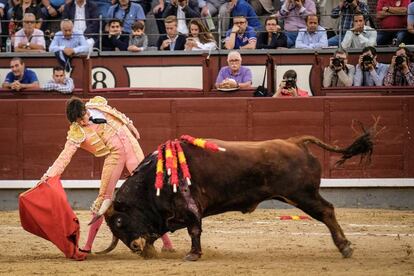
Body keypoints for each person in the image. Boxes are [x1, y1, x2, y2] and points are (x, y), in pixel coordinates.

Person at [39, 96, 174, 253]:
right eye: (77, 121)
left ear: (85, 109)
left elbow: (117, 114)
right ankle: (88, 246)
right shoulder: (77, 132)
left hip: (131, 147)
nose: (82, 122)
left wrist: (130, 125)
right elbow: (64, 156)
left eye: (82, 117)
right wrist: (49, 175)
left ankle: (167, 243)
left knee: (149, 194)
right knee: (103, 200)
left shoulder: (97, 106)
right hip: (115, 156)